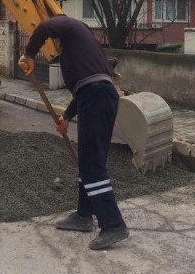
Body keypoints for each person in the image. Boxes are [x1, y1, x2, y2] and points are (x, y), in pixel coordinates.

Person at [18, 15, 129, 250]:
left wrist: (28, 54)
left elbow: (44, 26)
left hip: (96, 96)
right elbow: (82, 90)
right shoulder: (82, 47)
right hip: (98, 95)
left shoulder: (71, 25)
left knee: (92, 165)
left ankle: (113, 224)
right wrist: (66, 118)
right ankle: (83, 215)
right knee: (89, 161)